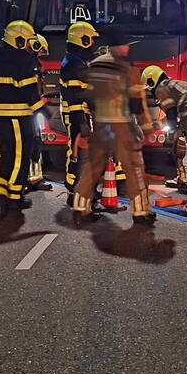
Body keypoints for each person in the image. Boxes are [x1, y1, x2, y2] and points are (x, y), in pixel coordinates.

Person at [72, 27, 156, 227]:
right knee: (134, 168)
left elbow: (87, 98)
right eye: (126, 45)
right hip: (122, 127)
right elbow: (137, 103)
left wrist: (88, 123)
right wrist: (147, 128)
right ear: (122, 47)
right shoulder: (128, 69)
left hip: (100, 126)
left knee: (92, 167)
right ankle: (141, 212)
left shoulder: (94, 66)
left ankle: (80, 208)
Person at [0, 20, 43, 219]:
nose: (28, 46)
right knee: (18, 157)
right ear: (18, 40)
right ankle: (14, 198)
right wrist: (44, 111)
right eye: (27, 41)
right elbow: (30, 91)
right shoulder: (24, 62)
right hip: (17, 118)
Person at [142, 66, 187, 195]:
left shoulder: (162, 89)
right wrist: (154, 126)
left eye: (149, 89)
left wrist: (172, 133)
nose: (150, 92)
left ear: (151, 82)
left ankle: (185, 181)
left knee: (181, 146)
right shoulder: (173, 85)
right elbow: (172, 116)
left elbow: (171, 114)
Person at [59, 21, 99, 205]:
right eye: (90, 39)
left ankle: (80, 190)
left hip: (80, 115)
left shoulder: (76, 61)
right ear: (81, 39)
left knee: (81, 154)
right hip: (77, 116)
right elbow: (75, 97)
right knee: (77, 154)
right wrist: (81, 123)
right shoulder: (74, 64)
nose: (93, 43)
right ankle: (76, 191)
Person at [25, 33, 52, 193]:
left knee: (36, 143)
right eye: (40, 51)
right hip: (28, 111)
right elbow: (31, 91)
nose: (41, 55)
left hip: (32, 110)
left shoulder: (31, 64)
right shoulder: (28, 65)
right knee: (30, 144)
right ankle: (26, 180)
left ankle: (35, 179)